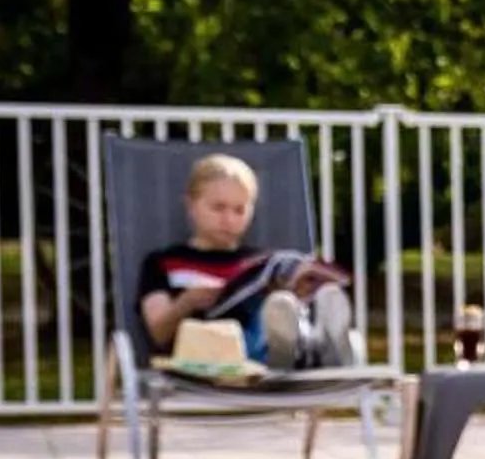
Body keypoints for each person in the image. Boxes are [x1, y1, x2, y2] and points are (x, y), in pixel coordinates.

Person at [134, 152, 358, 371]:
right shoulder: (163, 263)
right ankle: (308, 349)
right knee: (259, 318)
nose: (229, 219)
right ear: (191, 205)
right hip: (207, 360)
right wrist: (186, 303)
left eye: (239, 210)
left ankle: (313, 344)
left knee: (278, 302)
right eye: (218, 208)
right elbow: (158, 334)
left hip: (263, 360)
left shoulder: (261, 263)